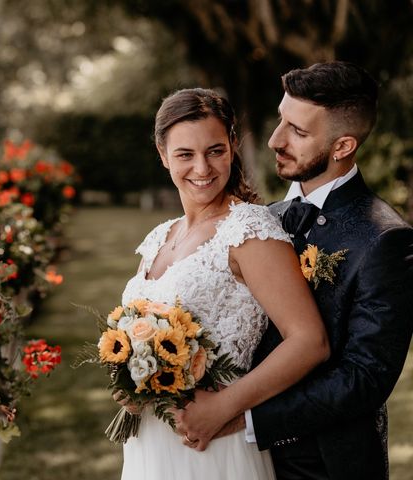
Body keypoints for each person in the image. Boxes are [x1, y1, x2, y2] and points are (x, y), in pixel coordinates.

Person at [174, 62, 413, 480]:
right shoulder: (259, 219)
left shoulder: (385, 239)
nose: (274, 140)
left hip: (322, 465)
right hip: (229, 458)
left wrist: (245, 419)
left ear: (343, 147)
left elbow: (364, 378)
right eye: (281, 119)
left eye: (298, 132)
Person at [118, 87, 330, 480]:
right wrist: (134, 381)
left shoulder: (250, 231)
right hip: (151, 440)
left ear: (233, 146)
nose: (202, 168)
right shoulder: (160, 237)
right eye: (185, 154)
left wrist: (225, 407)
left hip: (215, 442)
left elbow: (309, 341)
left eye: (215, 150)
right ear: (163, 155)